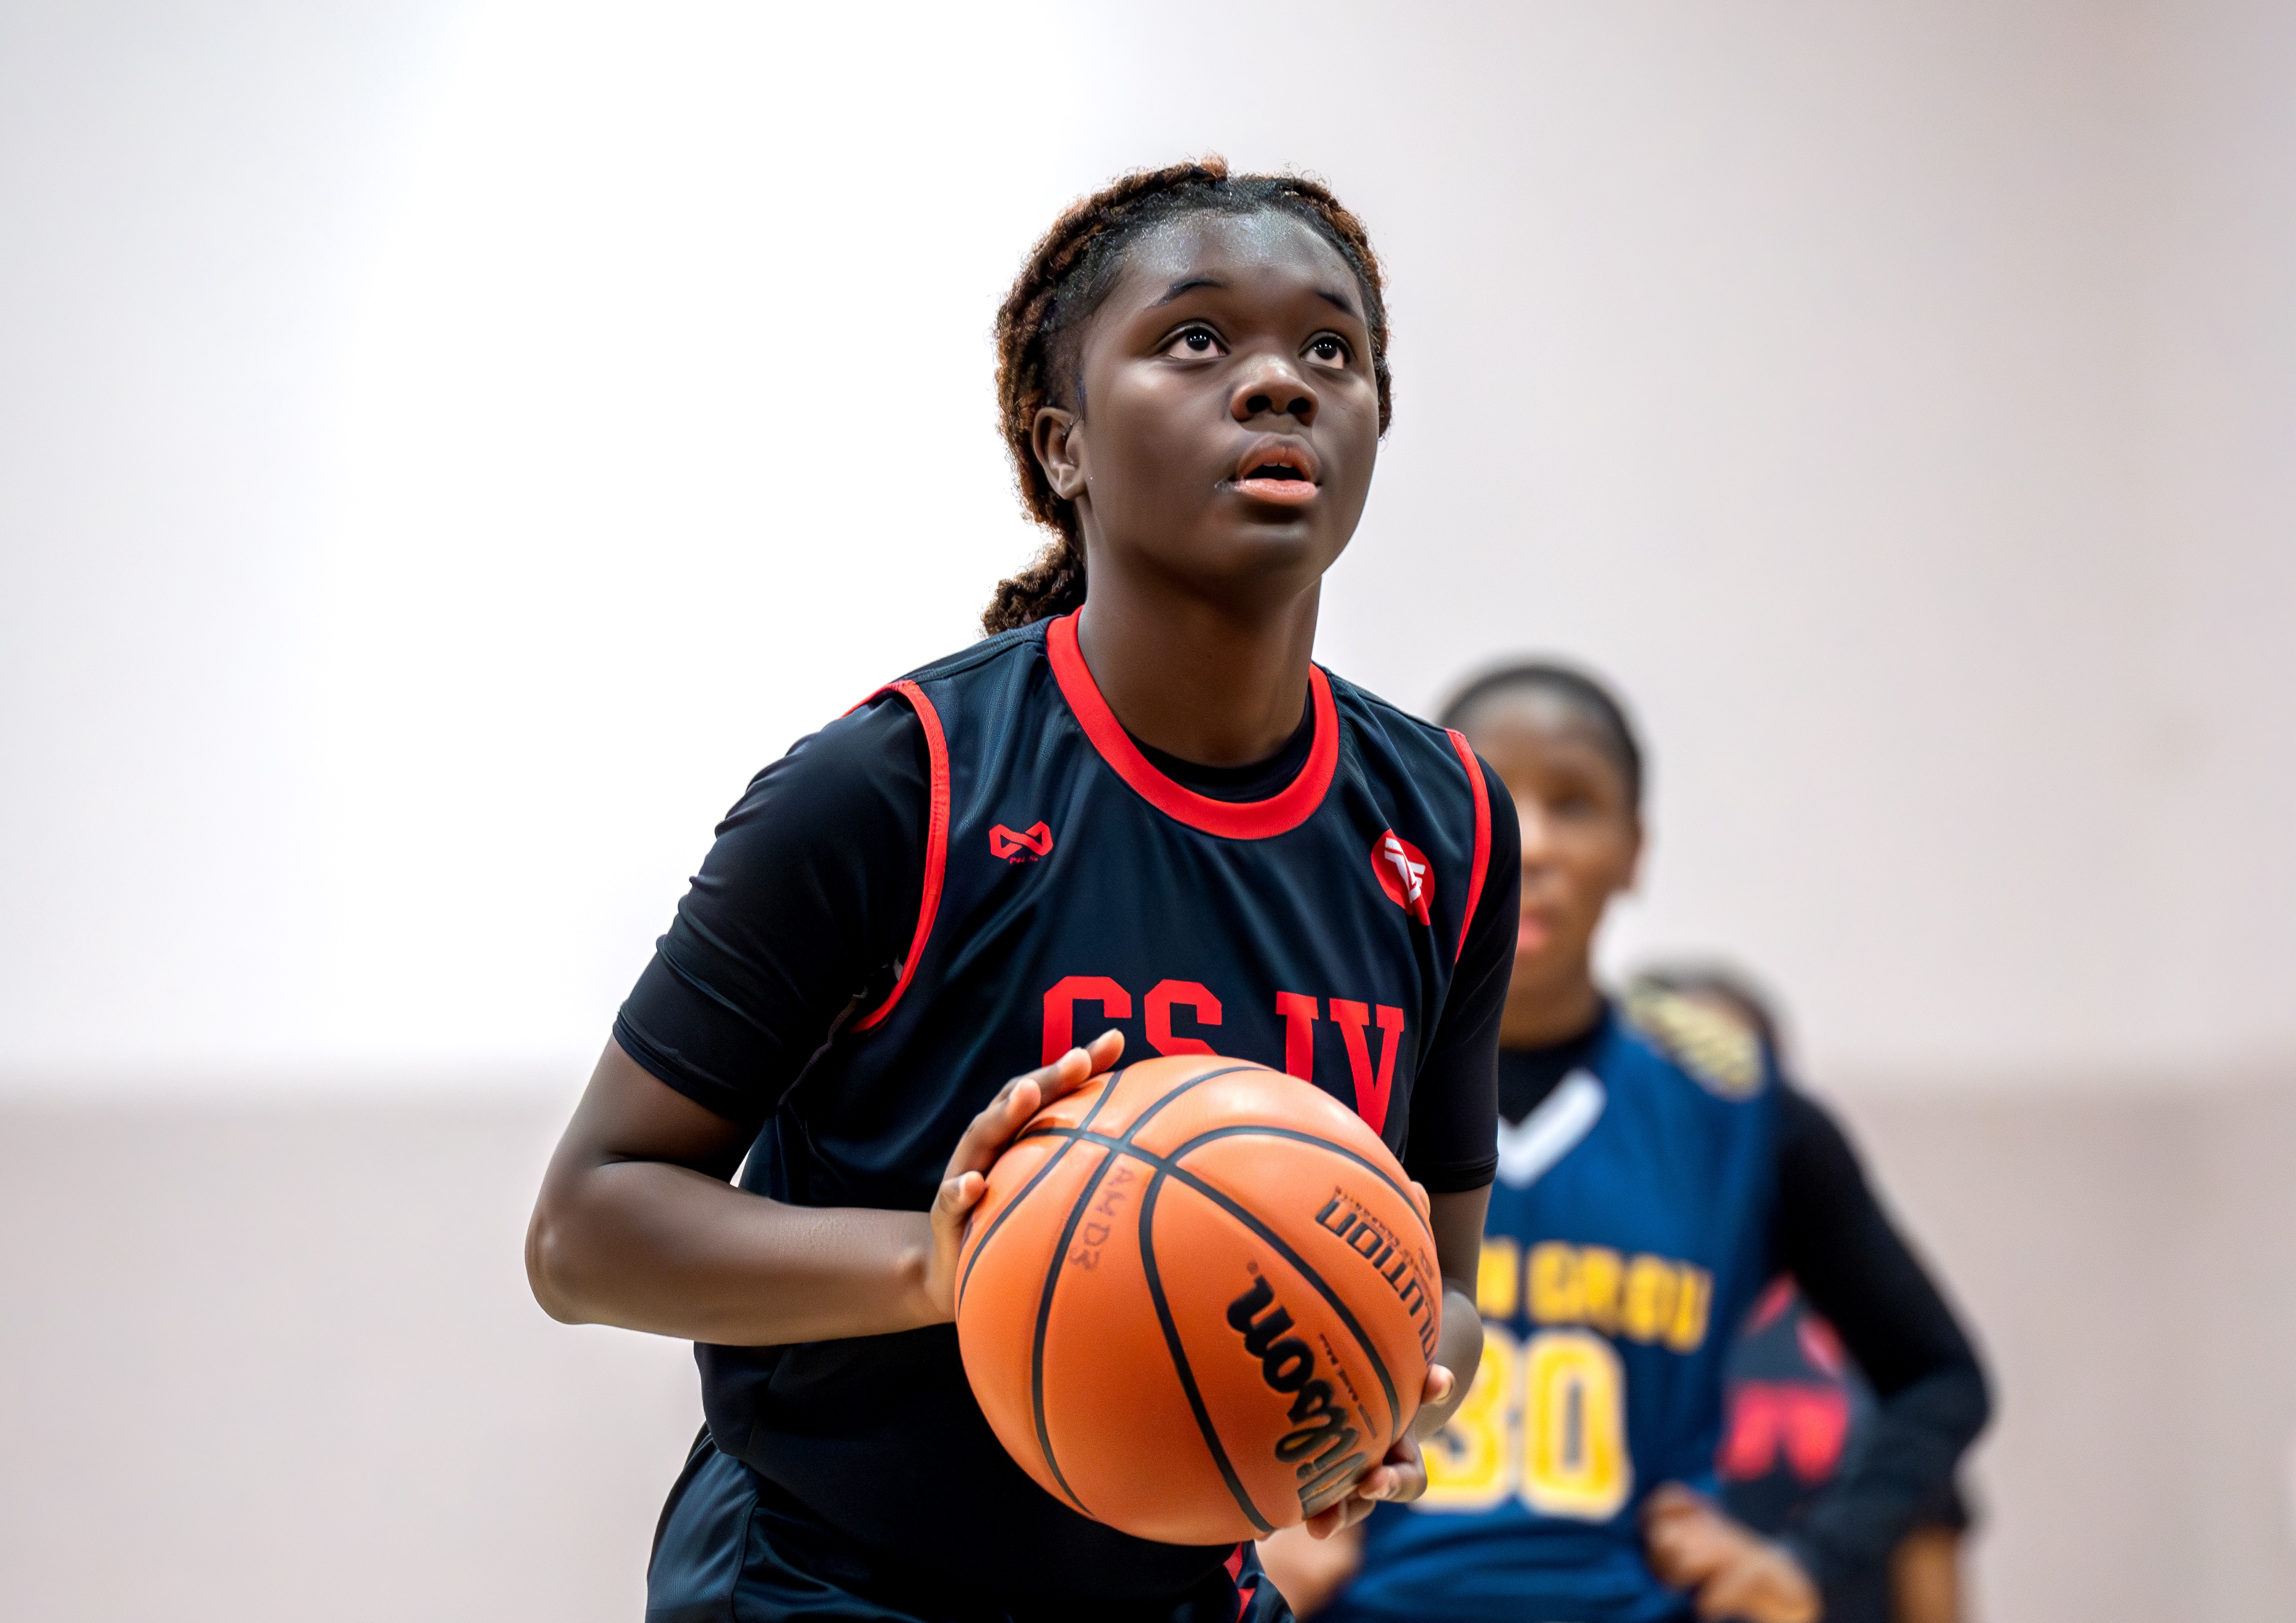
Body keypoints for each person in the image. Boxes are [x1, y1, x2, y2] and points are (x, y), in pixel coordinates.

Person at [523, 159, 1522, 1622]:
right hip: (832, 1580)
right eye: (1195, 339)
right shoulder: (899, 787)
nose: (1279, 385)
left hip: (1181, 1584)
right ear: (1063, 445)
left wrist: (1378, 1390)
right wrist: (946, 1264)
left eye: (1332, 350)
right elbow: (585, 1231)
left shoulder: (1447, 828)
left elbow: (1441, 1284)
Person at [1258, 662, 1989, 1622]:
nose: (1533, 842)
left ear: (1634, 850)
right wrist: (1238, 1533)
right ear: (1417, 833)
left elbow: (1938, 1379)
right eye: (1489, 795)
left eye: (1574, 802)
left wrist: (1808, 1562)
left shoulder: (1736, 1109)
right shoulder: (1314, 1086)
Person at [1652, 964, 1975, 1623]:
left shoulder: (1857, 1323)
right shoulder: (1583, 1305)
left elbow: (1931, 1533)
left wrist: (1804, 1565)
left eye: (1726, 1072)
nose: (1705, 1106)